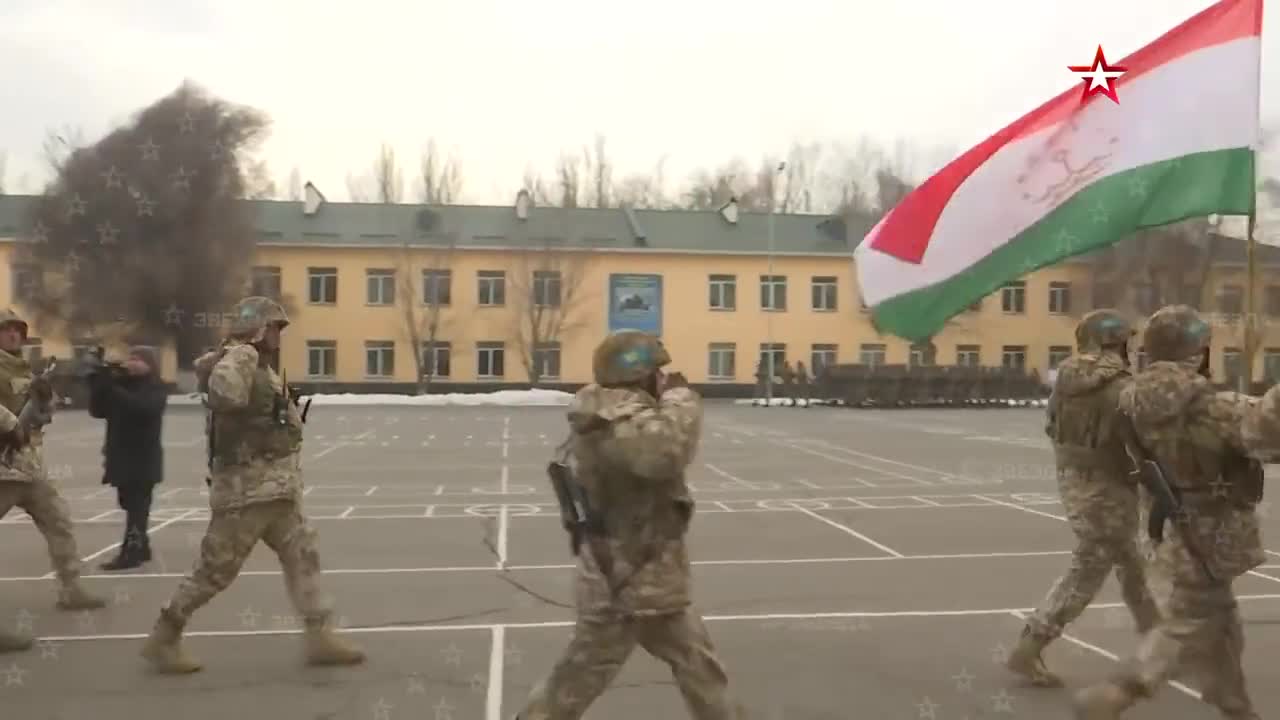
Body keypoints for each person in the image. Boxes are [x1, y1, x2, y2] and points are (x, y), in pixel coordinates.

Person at [513, 330, 744, 720]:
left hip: (643, 576)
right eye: (659, 373)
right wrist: (681, 398)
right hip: (627, 581)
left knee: (697, 664)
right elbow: (663, 453)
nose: (665, 379)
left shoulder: (614, 415)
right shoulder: (615, 421)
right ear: (639, 376)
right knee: (580, 676)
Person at [141, 296, 364, 673]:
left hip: (275, 490)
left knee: (303, 553)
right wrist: (237, 368)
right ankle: (165, 636)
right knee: (215, 571)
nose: (279, 334)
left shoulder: (260, 364)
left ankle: (319, 635)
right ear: (258, 328)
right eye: (274, 326)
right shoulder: (241, 356)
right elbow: (225, 394)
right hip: (247, 492)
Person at [1073, 305, 1275, 719]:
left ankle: (1234, 705)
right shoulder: (1206, 405)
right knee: (1187, 622)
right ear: (1197, 351)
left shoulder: (1132, 397)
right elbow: (1265, 435)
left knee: (1220, 621)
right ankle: (1119, 691)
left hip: (1172, 519)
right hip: (1211, 528)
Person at [1006, 310, 1158, 686]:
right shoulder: (1121, 385)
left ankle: (1159, 643)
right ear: (1115, 342)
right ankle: (1031, 644)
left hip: (1076, 481)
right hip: (1111, 487)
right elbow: (1143, 439)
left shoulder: (1066, 380)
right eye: (1126, 342)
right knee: (1089, 569)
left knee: (1131, 564)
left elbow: (1052, 428)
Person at [0, 308, 107, 643]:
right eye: (5, 330)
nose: (12, 335)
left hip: (30, 466)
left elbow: (45, 415)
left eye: (17, 329)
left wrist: (45, 401)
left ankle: (71, 587)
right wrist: (11, 424)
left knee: (59, 522)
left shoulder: (25, 369)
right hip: (2, 466)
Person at [88, 345, 168, 570]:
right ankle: (142, 546)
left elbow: (143, 408)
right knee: (129, 504)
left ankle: (130, 553)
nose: (131, 362)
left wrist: (113, 388)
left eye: (138, 359)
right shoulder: (121, 385)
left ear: (150, 365)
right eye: (130, 357)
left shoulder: (155, 388)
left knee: (137, 508)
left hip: (143, 459)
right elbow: (97, 410)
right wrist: (101, 380)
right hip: (120, 457)